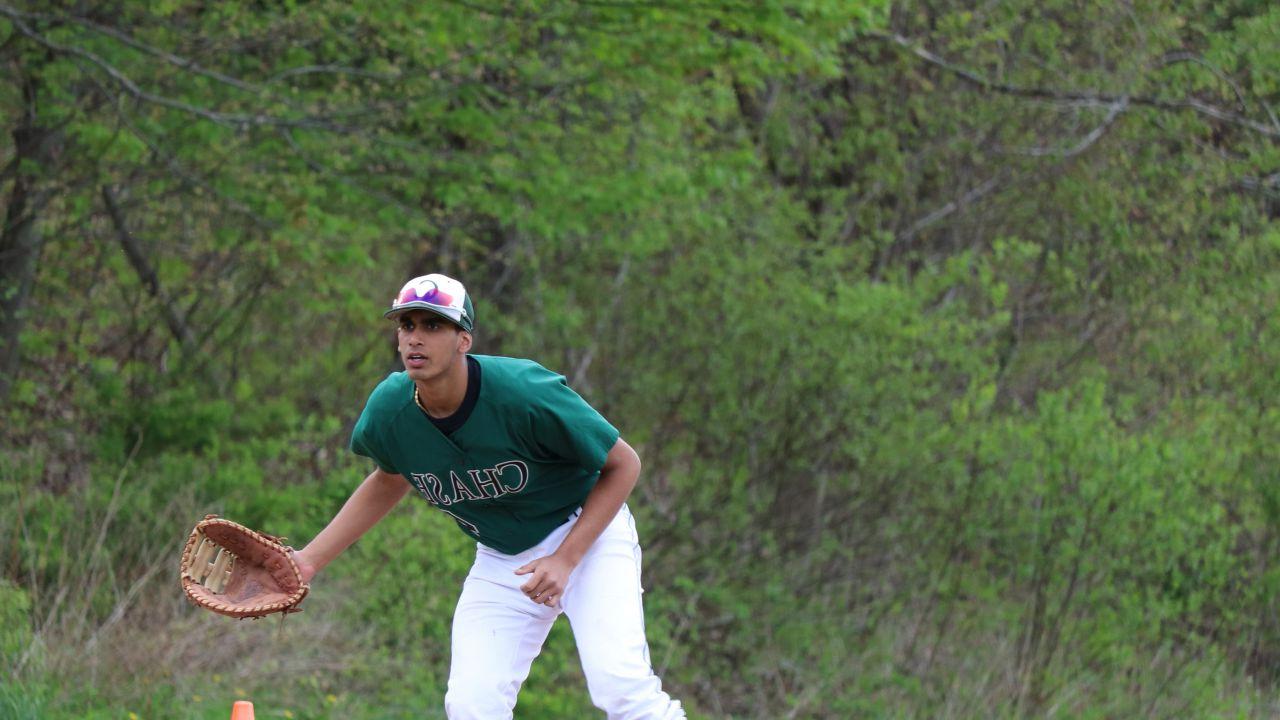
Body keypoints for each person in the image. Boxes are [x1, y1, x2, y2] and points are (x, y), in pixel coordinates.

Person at [291, 273, 685, 720]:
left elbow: (623, 464)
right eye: (407, 325)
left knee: (619, 686)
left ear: (464, 339)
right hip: (503, 558)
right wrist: (309, 561)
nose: (415, 338)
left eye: (433, 325)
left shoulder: (522, 392)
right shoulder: (390, 410)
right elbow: (388, 479)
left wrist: (567, 558)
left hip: (586, 533)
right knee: (471, 706)